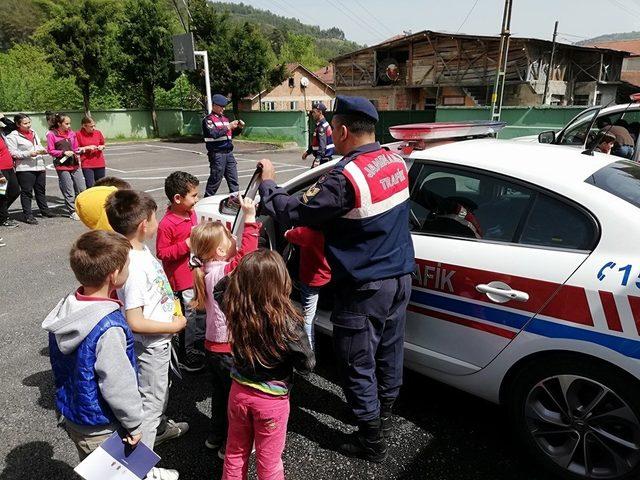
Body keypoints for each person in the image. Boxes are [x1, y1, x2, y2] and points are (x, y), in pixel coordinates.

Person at [257, 95, 415, 463]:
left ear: (342, 131)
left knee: (356, 359)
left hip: (365, 286)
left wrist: (268, 184)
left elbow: (297, 210)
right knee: (390, 349)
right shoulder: (395, 160)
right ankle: (383, 412)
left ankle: (371, 439)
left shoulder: (347, 177)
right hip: (400, 277)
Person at [105, 190, 189, 464]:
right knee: (149, 407)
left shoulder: (137, 251)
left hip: (158, 342)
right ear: (144, 225)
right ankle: (139, 466)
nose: (158, 223)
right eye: (155, 218)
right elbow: (135, 321)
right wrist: (174, 325)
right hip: (152, 345)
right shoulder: (134, 265)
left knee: (157, 395)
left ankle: (158, 432)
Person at [222, 250, 315, 480]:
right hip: (271, 402)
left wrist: (237, 273)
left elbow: (218, 289)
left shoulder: (235, 307)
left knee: (235, 452)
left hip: (239, 393)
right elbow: (307, 363)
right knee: (269, 462)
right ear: (281, 279)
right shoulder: (287, 319)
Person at [188, 198, 260, 459]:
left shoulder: (204, 268)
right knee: (236, 399)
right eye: (230, 238)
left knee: (220, 395)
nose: (234, 240)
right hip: (228, 347)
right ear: (219, 250)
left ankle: (215, 435)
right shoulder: (222, 272)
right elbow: (247, 256)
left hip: (212, 346)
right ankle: (230, 443)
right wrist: (250, 218)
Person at [156, 171, 204, 372]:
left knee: (199, 310)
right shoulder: (166, 224)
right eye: (193, 195)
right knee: (187, 316)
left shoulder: (191, 214)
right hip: (181, 280)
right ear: (178, 198)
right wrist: (186, 244)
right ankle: (185, 353)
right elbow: (162, 253)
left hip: (195, 273)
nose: (197, 199)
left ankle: (195, 342)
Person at [284, 226, 331, 349]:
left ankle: (309, 351)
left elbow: (288, 235)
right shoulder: (336, 228)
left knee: (308, 317)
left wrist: (289, 231)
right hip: (330, 277)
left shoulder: (305, 232)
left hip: (310, 280)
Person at [6, 113, 54, 224]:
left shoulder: (33, 132)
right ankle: (28, 215)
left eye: (29, 122)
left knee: (40, 190)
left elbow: (38, 146)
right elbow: (13, 153)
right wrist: (28, 153)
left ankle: (45, 211)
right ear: (18, 124)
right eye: (25, 123)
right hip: (25, 168)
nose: (28, 125)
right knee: (27, 192)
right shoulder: (12, 136)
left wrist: (43, 150)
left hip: (39, 165)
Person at [46, 113, 87, 219]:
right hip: (62, 166)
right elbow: (50, 150)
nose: (69, 126)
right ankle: (72, 211)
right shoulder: (51, 134)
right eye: (67, 123)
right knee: (68, 189)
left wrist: (79, 151)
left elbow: (75, 148)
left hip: (74, 164)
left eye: (70, 123)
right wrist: (63, 153)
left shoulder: (71, 133)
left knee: (81, 187)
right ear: (59, 123)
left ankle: (83, 208)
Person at [202, 94, 243, 197]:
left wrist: (239, 128)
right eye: (221, 106)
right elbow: (214, 134)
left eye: (224, 107)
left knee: (233, 180)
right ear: (214, 105)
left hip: (229, 153)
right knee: (215, 180)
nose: (223, 109)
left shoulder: (225, 119)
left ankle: (235, 203)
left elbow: (230, 135)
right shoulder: (208, 120)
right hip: (217, 154)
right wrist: (229, 126)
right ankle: (206, 201)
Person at [76, 116, 107, 187]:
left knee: (101, 185)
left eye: (94, 126)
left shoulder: (98, 133)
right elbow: (76, 149)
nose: (93, 128)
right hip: (87, 164)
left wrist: (101, 147)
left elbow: (103, 144)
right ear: (84, 126)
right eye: (91, 126)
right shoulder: (78, 134)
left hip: (99, 163)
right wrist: (87, 148)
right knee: (90, 185)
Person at [302, 101, 334, 168]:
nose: (312, 114)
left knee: (312, 177)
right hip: (324, 158)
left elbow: (322, 144)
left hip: (323, 159)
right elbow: (316, 142)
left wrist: (318, 158)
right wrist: (308, 152)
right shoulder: (321, 125)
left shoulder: (322, 127)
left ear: (320, 112)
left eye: (314, 112)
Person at [0, 132, 20, 228]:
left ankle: (2, 214)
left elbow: (11, 126)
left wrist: (3, 117)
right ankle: (4, 218)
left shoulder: (2, 133)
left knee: (15, 191)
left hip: (9, 169)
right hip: (1, 171)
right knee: (2, 195)